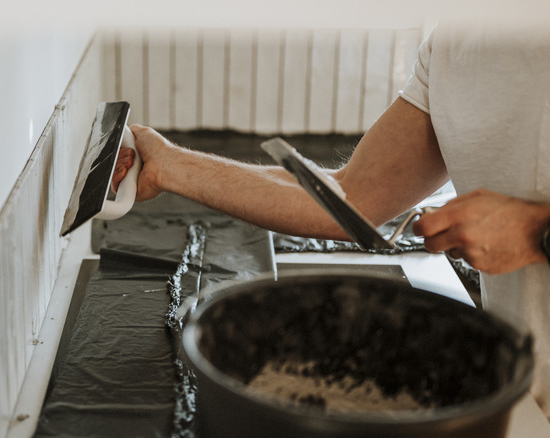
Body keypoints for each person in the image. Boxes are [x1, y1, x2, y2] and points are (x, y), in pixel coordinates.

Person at [112, 23, 550, 416]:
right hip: (526, 387)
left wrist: (535, 231)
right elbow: (351, 198)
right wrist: (169, 165)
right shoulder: (456, 43)